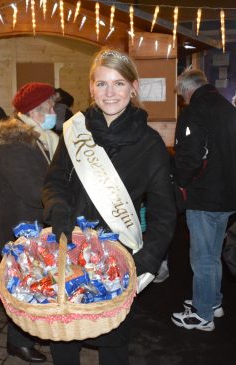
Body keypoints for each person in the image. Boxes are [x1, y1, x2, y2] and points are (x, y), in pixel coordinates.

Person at [42, 48, 176, 365]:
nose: (110, 92)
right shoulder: (75, 131)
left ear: (134, 87)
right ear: (91, 88)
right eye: (101, 84)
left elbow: (164, 214)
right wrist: (58, 209)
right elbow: (54, 181)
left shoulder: (150, 144)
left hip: (116, 260)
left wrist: (147, 259)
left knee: (115, 345)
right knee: (63, 341)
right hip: (69, 252)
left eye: (118, 83)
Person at [0, 82, 59, 363]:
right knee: (22, 287)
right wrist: (61, 195)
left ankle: (32, 334)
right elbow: (32, 189)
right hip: (22, 227)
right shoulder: (14, 142)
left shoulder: (39, 137)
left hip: (34, 225)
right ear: (35, 111)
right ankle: (18, 342)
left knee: (37, 284)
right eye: (50, 106)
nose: (54, 111)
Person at [171, 69, 236, 331]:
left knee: (203, 258)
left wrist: (181, 182)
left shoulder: (194, 112)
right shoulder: (228, 109)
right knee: (213, 254)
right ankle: (213, 301)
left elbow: (189, 158)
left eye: (182, 97)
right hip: (228, 196)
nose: (183, 101)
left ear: (187, 91)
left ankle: (202, 314)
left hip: (204, 197)